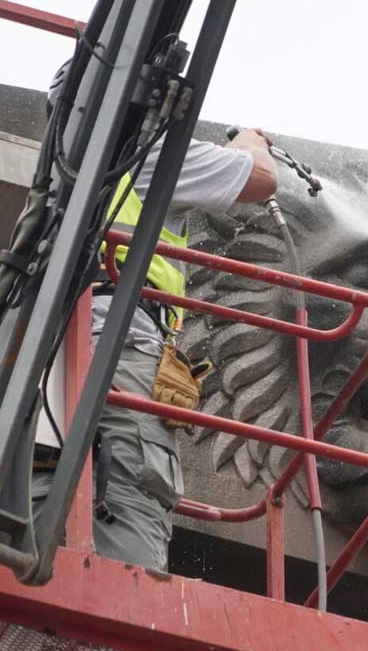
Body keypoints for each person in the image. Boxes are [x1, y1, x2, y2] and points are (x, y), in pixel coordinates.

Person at [40, 64, 279, 572]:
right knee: (130, 494)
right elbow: (261, 181)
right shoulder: (145, 151)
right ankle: (112, 630)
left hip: (47, 354)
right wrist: (252, 142)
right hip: (120, 347)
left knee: (44, 484)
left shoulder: (60, 165)